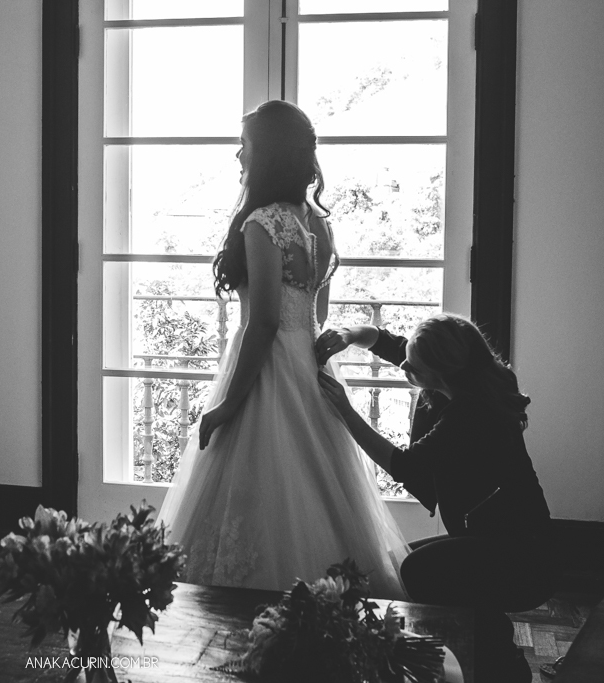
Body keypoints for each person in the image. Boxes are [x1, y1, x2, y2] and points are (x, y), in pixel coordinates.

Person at [157, 100, 409, 599]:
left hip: (267, 366)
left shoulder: (263, 222)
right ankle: (326, 606)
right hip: (310, 365)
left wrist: (228, 404)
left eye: (245, 145)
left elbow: (266, 321)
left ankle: (245, 609)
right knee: (319, 486)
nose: (238, 155)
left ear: (266, 154)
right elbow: (317, 315)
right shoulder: (318, 223)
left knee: (259, 484)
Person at [316, 314, 557, 682]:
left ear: (441, 373)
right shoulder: (469, 375)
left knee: (417, 571)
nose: (405, 367)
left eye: (414, 367)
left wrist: (346, 412)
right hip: (503, 538)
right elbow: (393, 345)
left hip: (520, 557)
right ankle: (490, 647)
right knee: (400, 566)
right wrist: (352, 334)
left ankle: (499, 662)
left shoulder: (471, 413)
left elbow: (404, 465)